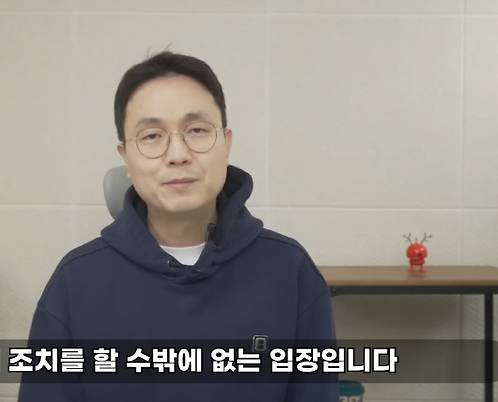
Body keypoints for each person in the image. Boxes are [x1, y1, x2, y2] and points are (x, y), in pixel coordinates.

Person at [18, 51, 337, 401]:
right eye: (152, 136)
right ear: (126, 158)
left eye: (196, 130)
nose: (178, 154)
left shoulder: (290, 271)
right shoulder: (75, 283)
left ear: (227, 144)